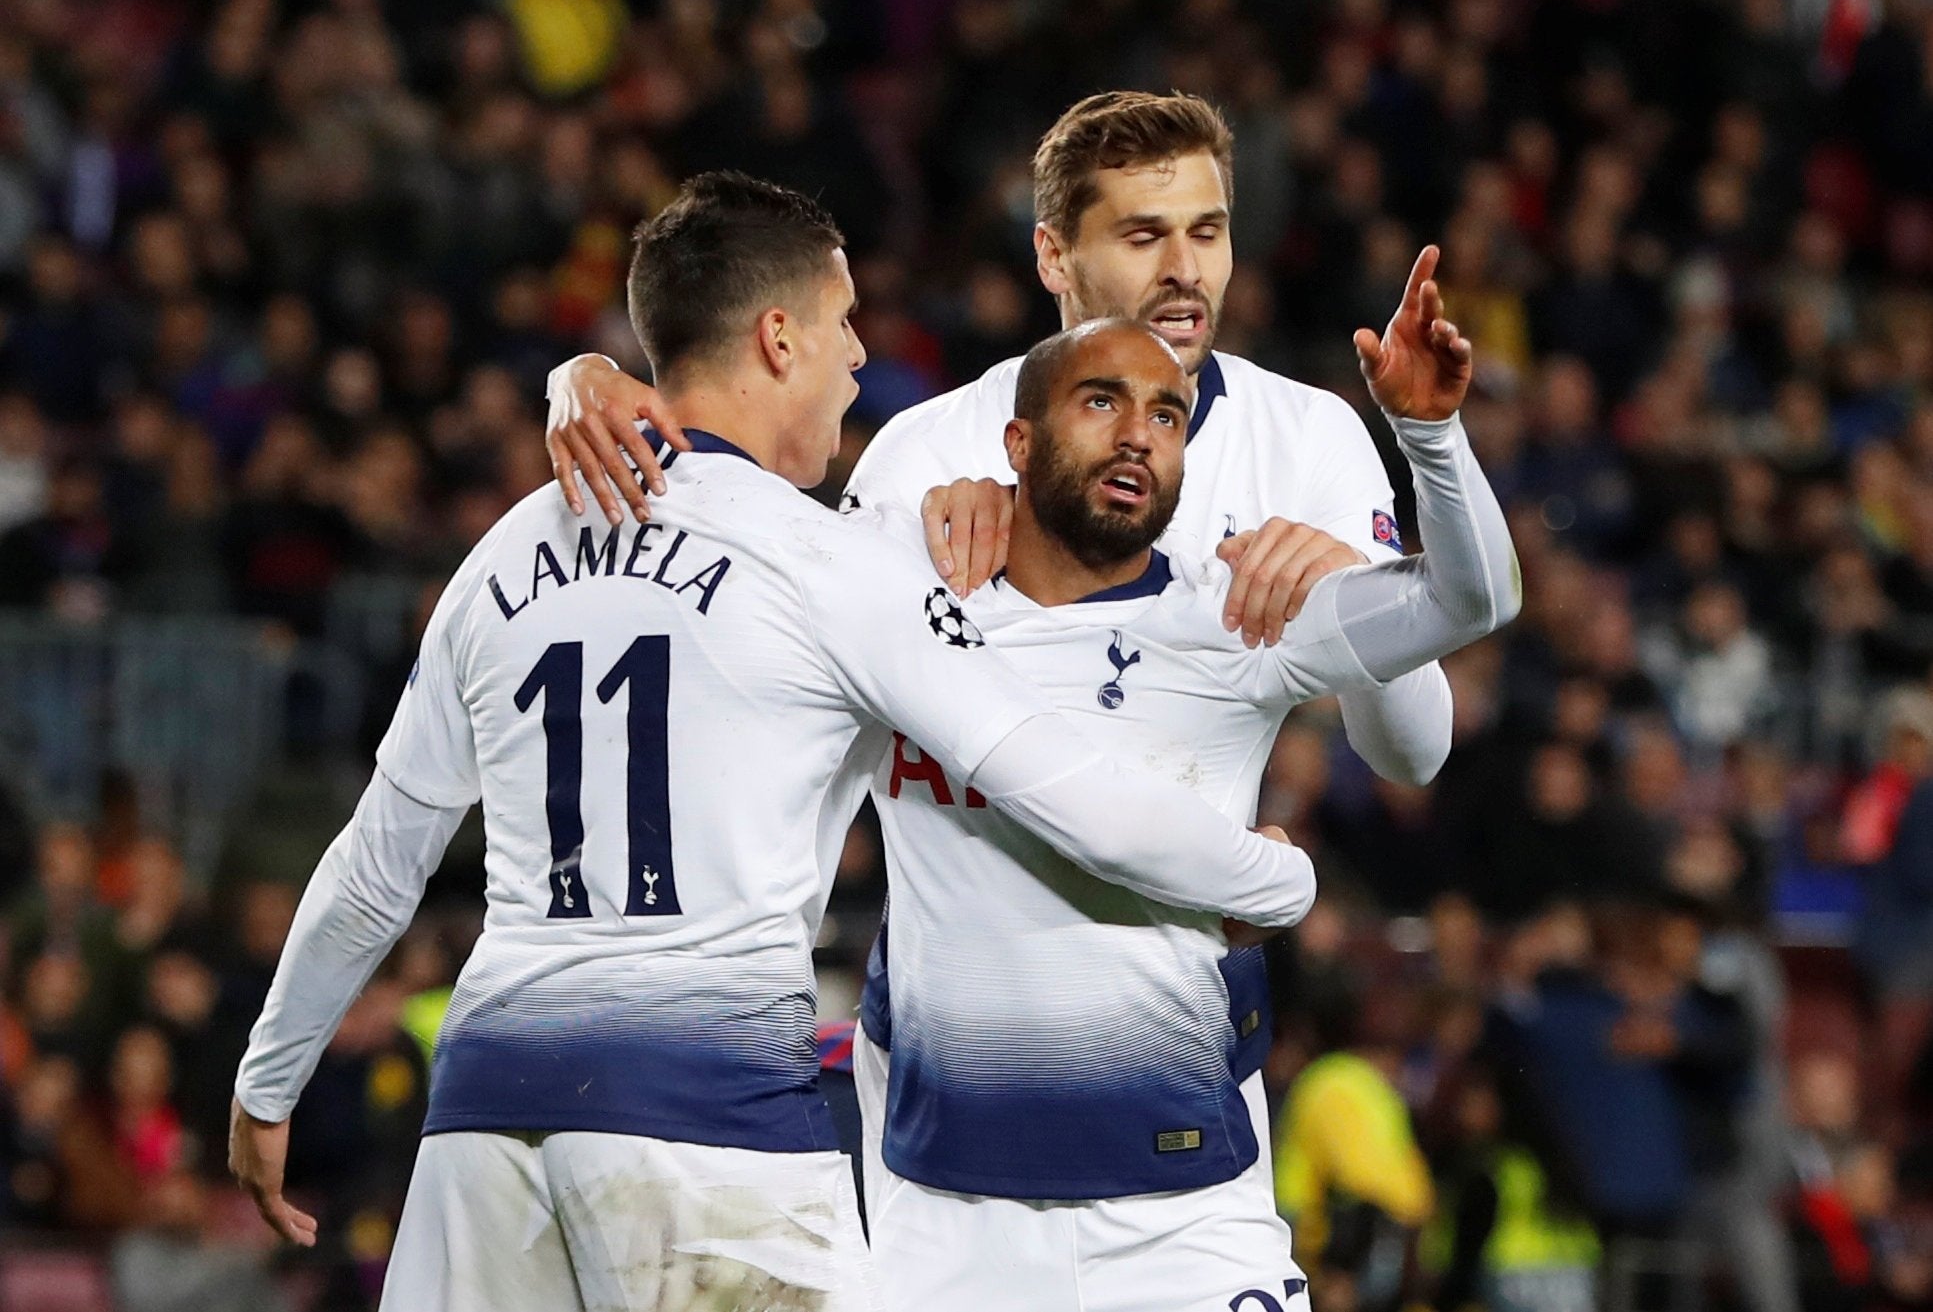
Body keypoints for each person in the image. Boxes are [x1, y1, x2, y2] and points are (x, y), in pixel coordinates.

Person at [228, 172, 1322, 1312]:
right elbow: (1079, 794)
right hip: (708, 1130)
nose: (858, 361)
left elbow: (374, 866)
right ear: (778, 335)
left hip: (483, 1121)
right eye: (844, 327)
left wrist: (268, 1085)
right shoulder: (828, 566)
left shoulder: (501, 553)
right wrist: (1275, 873)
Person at [542, 86, 1456, 1189]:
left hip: (1180, 1059)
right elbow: (813, 742)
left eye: (1206, 232)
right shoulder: (929, 450)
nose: (1185, 269)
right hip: (946, 1081)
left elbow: (1413, 750)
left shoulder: (1305, 436)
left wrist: (1359, 597)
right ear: (1052, 256)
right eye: (1141, 234)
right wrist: (585, 379)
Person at [856, 267, 1513, 1311]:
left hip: (1183, 1219)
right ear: (1016, 446)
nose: (1137, 432)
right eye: (1101, 400)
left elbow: (1471, 598)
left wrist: (1429, 438)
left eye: (1166, 413)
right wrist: (591, 382)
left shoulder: (1238, 616)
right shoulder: (896, 612)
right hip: (945, 1223)